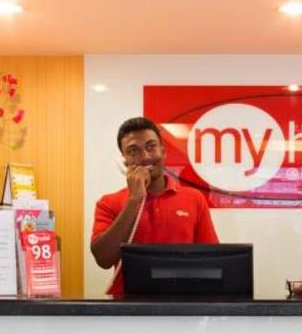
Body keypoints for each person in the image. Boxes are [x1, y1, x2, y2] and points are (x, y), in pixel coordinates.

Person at [91, 116, 219, 296]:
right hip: (128, 305)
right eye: (133, 151)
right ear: (124, 161)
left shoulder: (194, 198)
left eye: (151, 147)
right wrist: (134, 200)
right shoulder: (108, 203)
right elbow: (103, 259)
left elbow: (212, 260)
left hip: (183, 301)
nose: (145, 157)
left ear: (163, 152)